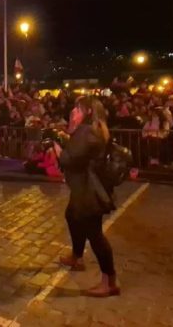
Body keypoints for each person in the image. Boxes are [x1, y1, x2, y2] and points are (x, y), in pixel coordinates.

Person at [58, 96, 120, 297]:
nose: (73, 112)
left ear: (88, 113)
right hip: (85, 188)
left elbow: (69, 159)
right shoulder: (90, 131)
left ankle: (109, 281)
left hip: (89, 191)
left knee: (95, 235)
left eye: (77, 109)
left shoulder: (87, 131)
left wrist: (53, 144)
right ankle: (77, 256)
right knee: (71, 215)